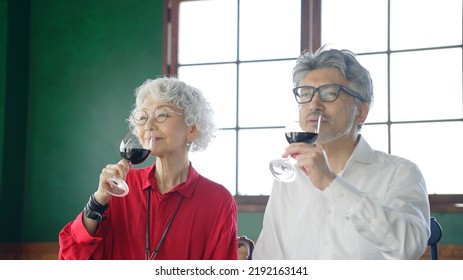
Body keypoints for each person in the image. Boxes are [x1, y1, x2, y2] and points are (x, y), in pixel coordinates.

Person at [253, 46, 430, 260]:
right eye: (306, 94)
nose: (314, 105)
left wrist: (331, 182)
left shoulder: (400, 173)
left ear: (361, 112)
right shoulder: (288, 180)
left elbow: (409, 247)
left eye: (329, 93)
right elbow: (268, 258)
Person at [59, 76, 238, 260]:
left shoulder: (218, 200)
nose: (149, 125)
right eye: (143, 117)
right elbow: (71, 258)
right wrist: (98, 201)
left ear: (191, 129)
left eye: (162, 115)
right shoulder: (119, 189)